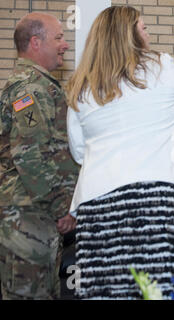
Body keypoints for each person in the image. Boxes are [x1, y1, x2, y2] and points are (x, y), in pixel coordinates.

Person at [65, 6, 174, 300]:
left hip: (99, 204)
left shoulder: (81, 86)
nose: (149, 34)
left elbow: (79, 151)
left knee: (106, 291)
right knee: (162, 289)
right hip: (156, 198)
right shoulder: (163, 67)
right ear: (129, 36)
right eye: (144, 28)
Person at [0, 12, 79, 299]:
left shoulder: (42, 86)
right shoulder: (30, 89)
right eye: (58, 37)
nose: (65, 45)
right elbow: (29, 155)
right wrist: (62, 208)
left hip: (36, 217)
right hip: (28, 220)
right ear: (35, 42)